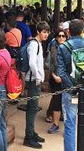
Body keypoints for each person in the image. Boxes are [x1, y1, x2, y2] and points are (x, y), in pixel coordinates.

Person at [56, 19, 84, 151]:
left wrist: (73, 87)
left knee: (69, 125)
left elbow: (61, 72)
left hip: (69, 91)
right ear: (83, 31)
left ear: (68, 31)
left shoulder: (63, 47)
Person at [23, 21, 49, 149]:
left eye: (47, 32)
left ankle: (31, 132)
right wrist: (38, 76)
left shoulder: (37, 43)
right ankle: (28, 136)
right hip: (34, 80)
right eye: (44, 32)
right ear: (38, 32)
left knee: (33, 108)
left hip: (35, 80)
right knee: (32, 109)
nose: (46, 34)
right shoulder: (34, 44)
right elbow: (32, 63)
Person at [45, 29, 67, 134]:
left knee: (67, 102)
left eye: (63, 36)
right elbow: (49, 64)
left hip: (67, 80)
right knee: (57, 100)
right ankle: (55, 124)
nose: (61, 38)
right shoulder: (53, 48)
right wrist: (54, 75)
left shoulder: (69, 49)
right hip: (55, 78)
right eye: (59, 36)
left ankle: (68, 126)